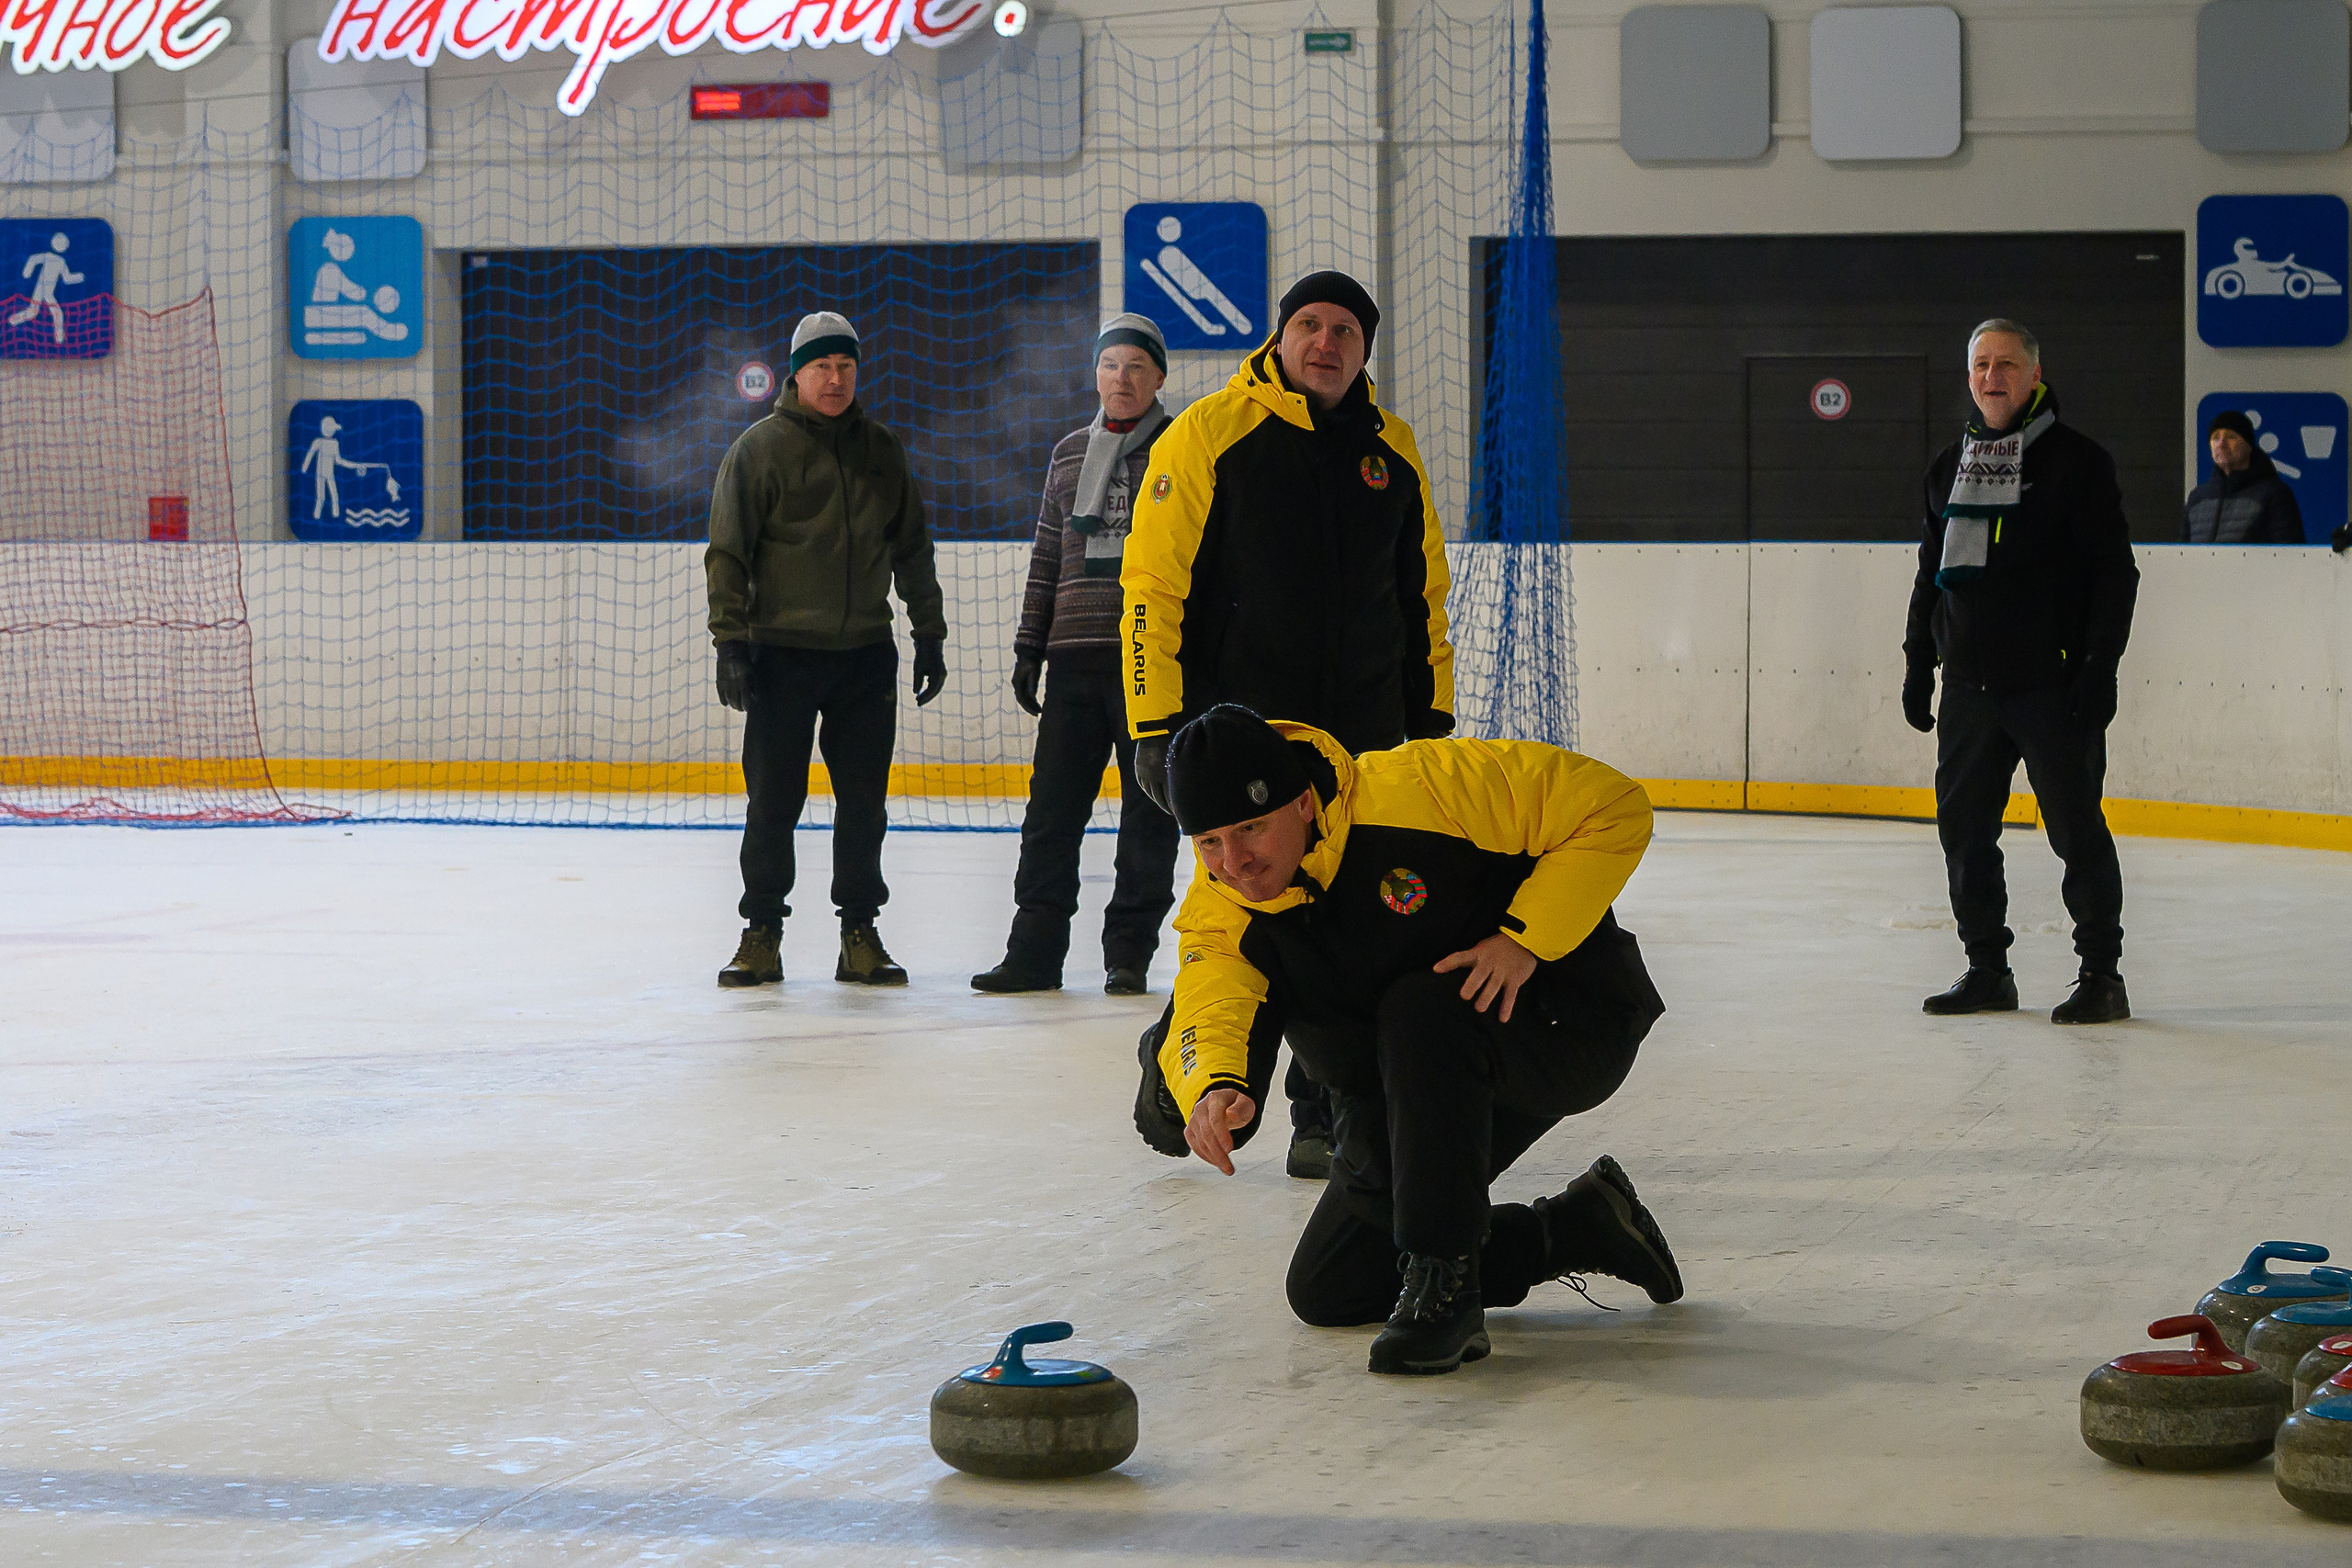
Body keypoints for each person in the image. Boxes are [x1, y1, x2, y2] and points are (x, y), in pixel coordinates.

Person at [1144, 705, 1680, 1376]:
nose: (1237, 862)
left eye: (1251, 828)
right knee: (1329, 1286)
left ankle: (1445, 1294)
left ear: (1304, 803)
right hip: (1411, 1082)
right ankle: (1575, 1228)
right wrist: (1215, 1084)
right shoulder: (1225, 904)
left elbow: (1614, 805)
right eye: (1210, 843)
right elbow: (1212, 993)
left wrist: (1525, 940)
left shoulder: (1423, 787)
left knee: (1419, 1004)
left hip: (1559, 1024)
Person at [1122, 269, 1456, 1179]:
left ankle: (1328, 1108)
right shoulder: (1210, 433)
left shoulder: (1394, 449)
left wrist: (1431, 722)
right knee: (1250, 914)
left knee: (1356, 925)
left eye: (1344, 329)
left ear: (1363, 349)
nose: (1325, 342)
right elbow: (1154, 590)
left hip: (1369, 747)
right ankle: (1193, 1054)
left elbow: (1421, 597)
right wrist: (1156, 727)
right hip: (1244, 747)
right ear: (1278, 338)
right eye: (1309, 323)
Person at [1901, 319, 2139, 1025]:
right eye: (1980, 364)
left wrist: (2099, 666)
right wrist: (1920, 661)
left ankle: (2101, 973)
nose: (1992, 376)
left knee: (2075, 829)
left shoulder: (2077, 463)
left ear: (2035, 374)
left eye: (2006, 363)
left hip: (2052, 683)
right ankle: (1986, 969)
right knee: (1965, 831)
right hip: (1970, 688)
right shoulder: (1950, 465)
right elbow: (1929, 576)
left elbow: (2113, 574)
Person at [706, 310, 947, 989]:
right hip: (780, 655)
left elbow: (912, 549)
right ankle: (761, 933)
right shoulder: (759, 451)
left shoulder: (881, 450)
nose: (835, 378)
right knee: (773, 803)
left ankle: (860, 933)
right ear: (797, 372)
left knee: (864, 805)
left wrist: (928, 632)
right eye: (822, 367)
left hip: (866, 655)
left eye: (846, 366)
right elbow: (727, 553)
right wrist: (731, 643)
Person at [973, 315, 1182, 997]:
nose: (1121, 379)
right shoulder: (1066, 454)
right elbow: (1046, 556)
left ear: (1158, 378)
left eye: (1135, 367)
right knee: (1052, 810)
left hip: (1150, 662)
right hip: (1072, 658)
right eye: (1110, 365)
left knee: (1149, 811)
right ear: (1095, 374)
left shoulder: (1183, 449)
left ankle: (1129, 951)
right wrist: (1029, 645)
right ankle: (1033, 951)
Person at [2183, 411, 2305, 544]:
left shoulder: (2274, 494)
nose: (2221, 444)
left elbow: (2290, 553)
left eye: (2231, 437)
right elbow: (2181, 554)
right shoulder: (2197, 497)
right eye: (2215, 438)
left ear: (2248, 446)